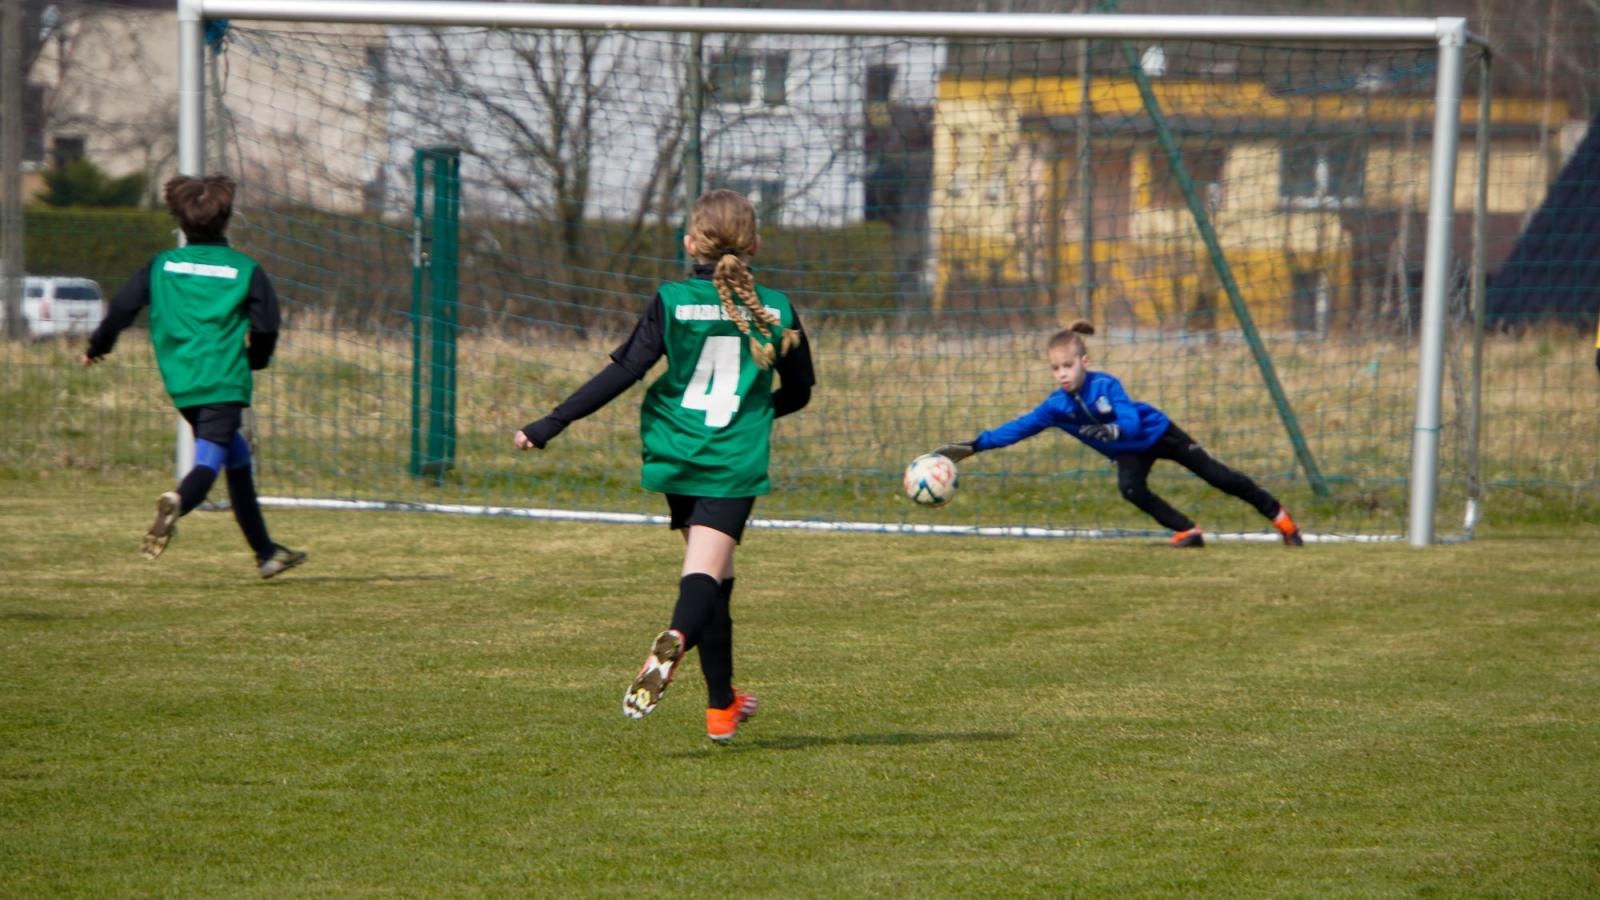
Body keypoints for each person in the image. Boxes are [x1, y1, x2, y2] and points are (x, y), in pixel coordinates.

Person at [516, 188, 815, 743]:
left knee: (717, 580)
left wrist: (550, 423)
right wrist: (755, 413)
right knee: (703, 578)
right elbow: (799, 391)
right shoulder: (776, 307)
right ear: (755, 243)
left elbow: (625, 370)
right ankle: (676, 635)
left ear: (690, 242)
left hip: (676, 451)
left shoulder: (671, 300)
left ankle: (721, 707)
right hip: (731, 459)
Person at [83, 174, 306, 579]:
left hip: (183, 384)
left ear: (180, 220)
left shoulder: (161, 266)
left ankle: (266, 553)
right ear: (227, 219)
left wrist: (98, 347)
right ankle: (178, 500)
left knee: (236, 460)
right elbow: (268, 326)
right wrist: (257, 358)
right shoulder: (245, 269)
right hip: (223, 381)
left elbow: (121, 310)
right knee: (208, 464)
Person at [934, 320, 1302, 549]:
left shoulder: (1106, 385)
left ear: (1085, 363)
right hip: (1129, 452)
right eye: (1055, 368)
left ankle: (1280, 517)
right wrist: (974, 445)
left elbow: (1132, 422)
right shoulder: (1055, 407)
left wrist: (1108, 429)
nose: (1062, 374)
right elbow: (1017, 429)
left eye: (1068, 365)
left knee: (1218, 476)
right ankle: (1188, 532)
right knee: (1131, 490)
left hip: (1159, 433)